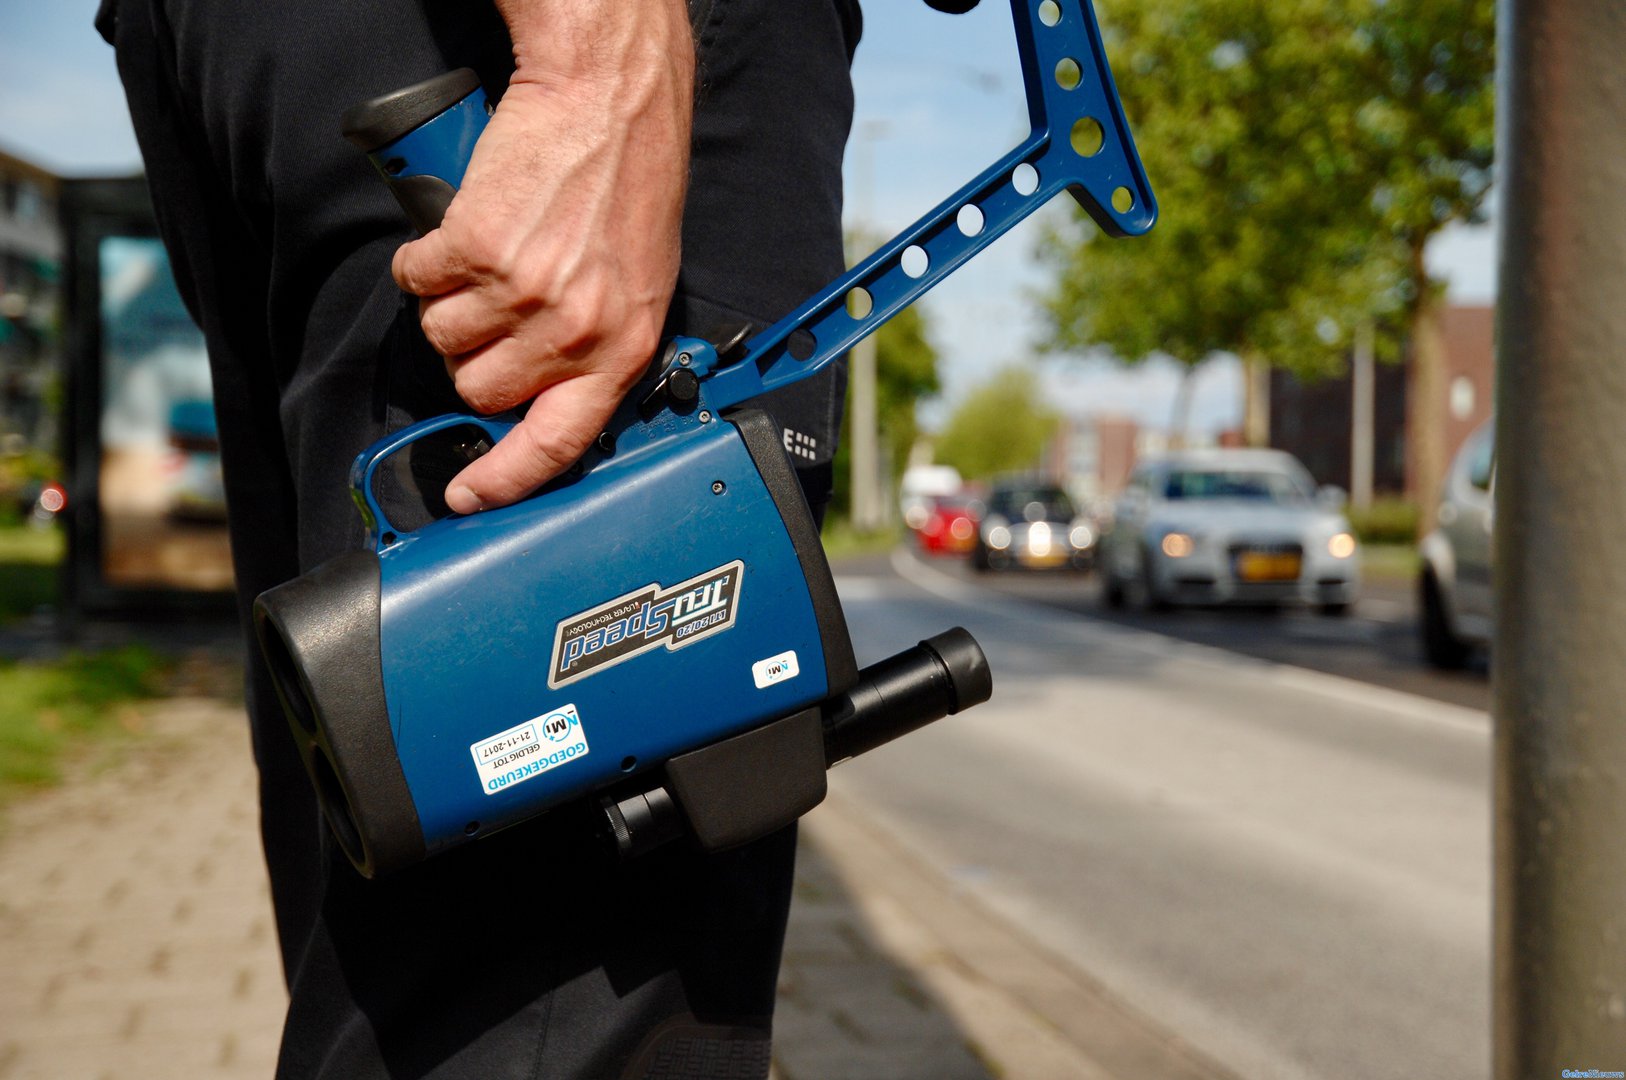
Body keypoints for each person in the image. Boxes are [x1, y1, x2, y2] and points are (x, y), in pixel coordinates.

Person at [97, 0, 969, 1075]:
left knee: (389, 925)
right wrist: (595, 65)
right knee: (544, 996)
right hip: (557, 40)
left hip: (254, 41)